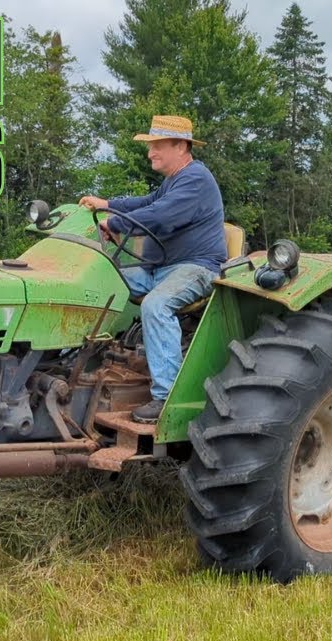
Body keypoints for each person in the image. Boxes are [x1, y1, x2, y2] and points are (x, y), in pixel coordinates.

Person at [79, 115, 227, 423]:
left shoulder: (196, 179)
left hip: (197, 267)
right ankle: (81, 367)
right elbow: (146, 202)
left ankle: (166, 397)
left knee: (156, 305)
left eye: (156, 146)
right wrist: (106, 203)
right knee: (100, 280)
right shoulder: (173, 181)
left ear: (181, 145)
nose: (150, 153)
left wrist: (114, 223)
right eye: (150, 146)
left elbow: (160, 215)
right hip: (159, 269)